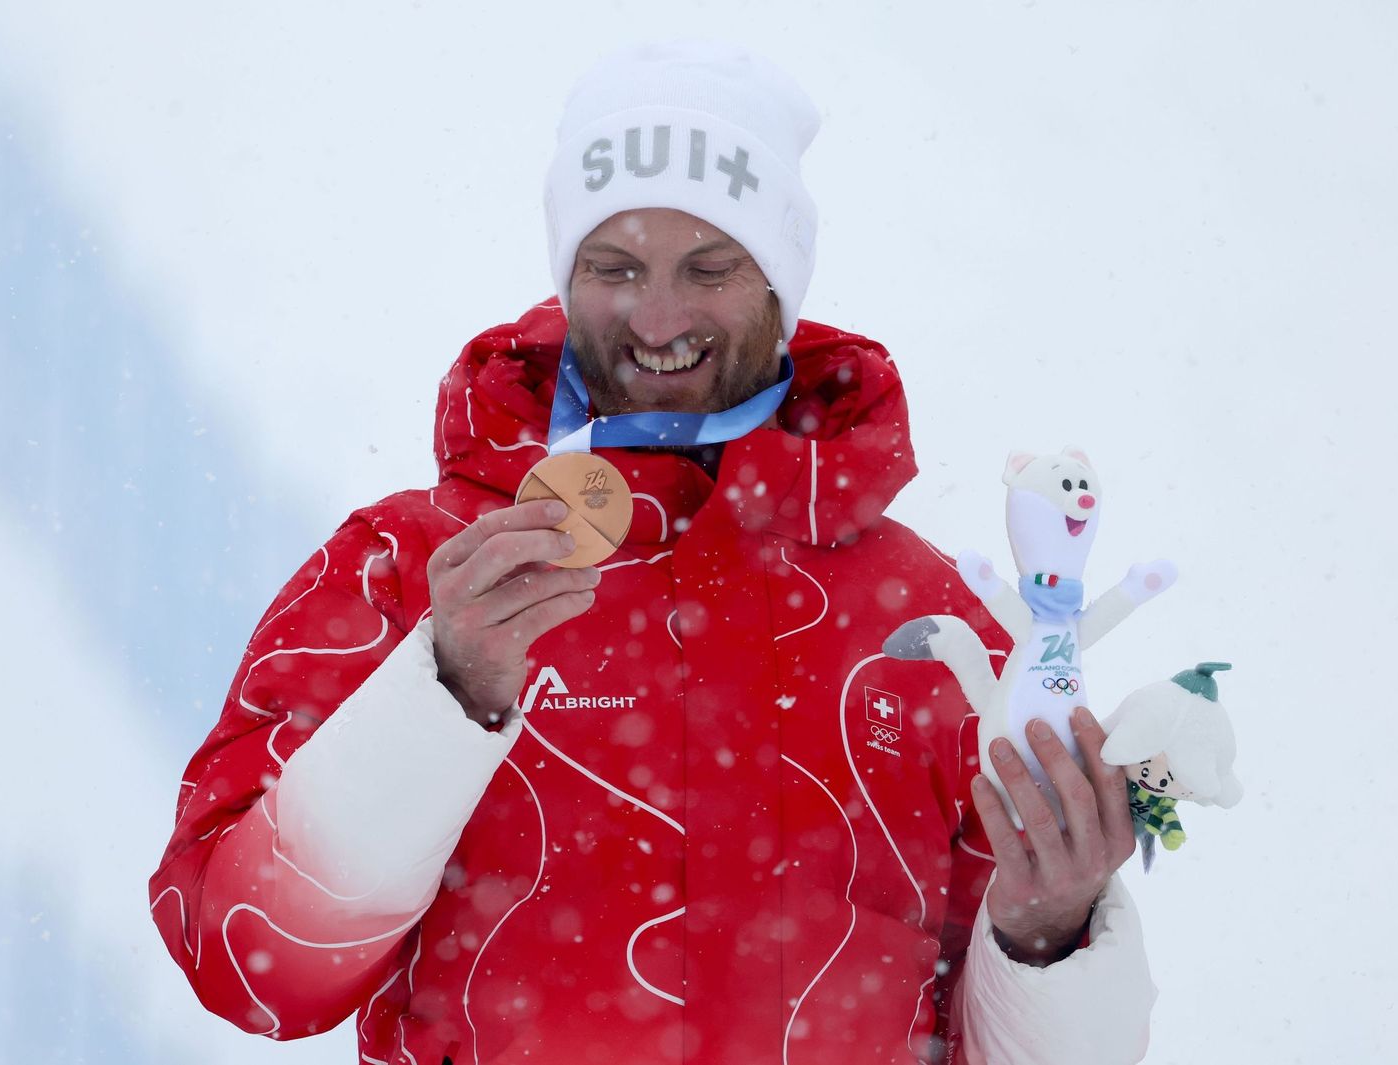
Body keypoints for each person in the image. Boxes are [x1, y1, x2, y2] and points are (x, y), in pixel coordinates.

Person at [149, 40, 1157, 1065]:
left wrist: (1048, 936)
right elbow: (247, 966)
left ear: (780, 282)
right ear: (565, 273)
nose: (659, 316)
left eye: (710, 268)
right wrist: (442, 693)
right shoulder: (410, 568)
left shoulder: (927, 625)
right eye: (613, 266)